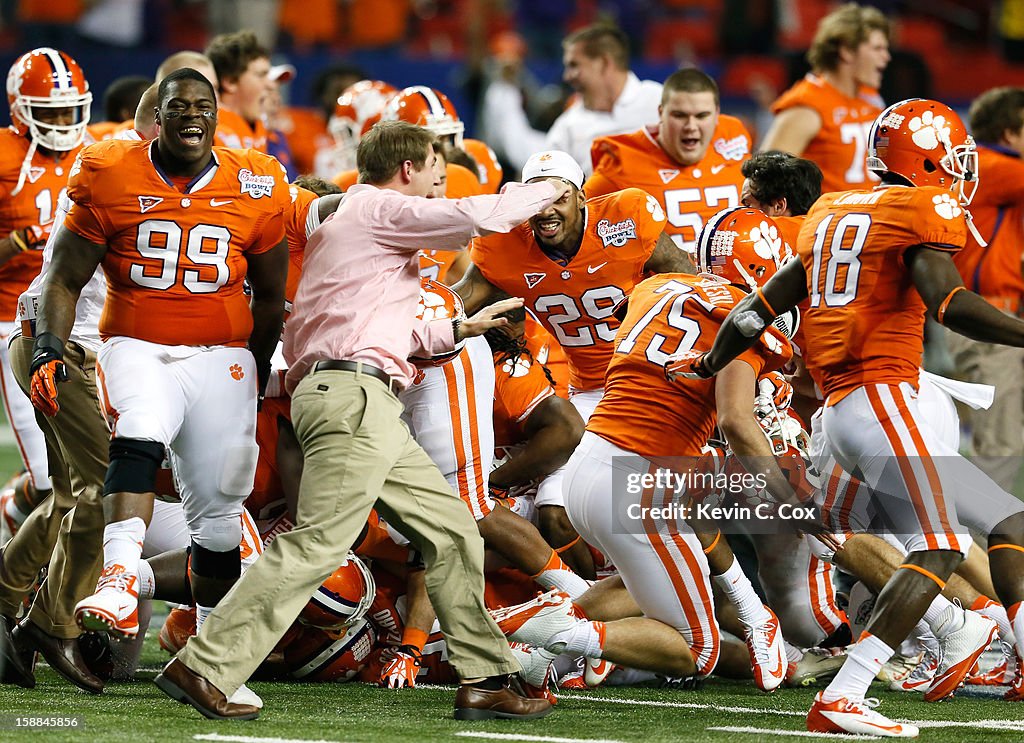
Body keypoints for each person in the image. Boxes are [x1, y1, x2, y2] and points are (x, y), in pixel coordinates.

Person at [153, 119, 570, 721]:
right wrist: (548, 188)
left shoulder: (351, 223)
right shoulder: (380, 207)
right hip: (353, 396)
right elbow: (478, 216)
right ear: (406, 170)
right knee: (318, 543)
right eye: (434, 168)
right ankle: (207, 666)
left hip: (350, 391)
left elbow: (367, 324)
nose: (439, 179)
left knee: (452, 528)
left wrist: (459, 329)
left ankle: (485, 677)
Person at [675, 98, 1024, 735]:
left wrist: (707, 363)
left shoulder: (833, 210)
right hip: (883, 399)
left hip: (837, 414)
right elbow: (948, 301)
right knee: (941, 546)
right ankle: (847, 692)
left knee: (1008, 520)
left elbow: (755, 310)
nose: (960, 169)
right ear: (926, 157)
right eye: (952, 155)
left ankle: (1013, 659)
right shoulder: (919, 208)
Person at [29, 68, 290, 708]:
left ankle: (208, 660)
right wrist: (47, 347)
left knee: (222, 511)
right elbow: (63, 276)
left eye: (204, 105)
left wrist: (251, 369)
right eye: (179, 106)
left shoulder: (257, 180)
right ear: (159, 115)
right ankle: (118, 578)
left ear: (216, 115)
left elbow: (272, 293)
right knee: (140, 427)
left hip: (223, 355)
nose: (193, 116)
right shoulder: (110, 170)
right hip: (136, 342)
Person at [492, 208, 799, 689]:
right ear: (764, 273)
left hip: (589, 468)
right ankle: (555, 631)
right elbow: (737, 420)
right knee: (698, 649)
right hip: (640, 485)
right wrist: (788, 497)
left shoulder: (654, 287)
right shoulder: (746, 327)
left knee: (646, 573)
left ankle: (751, 612)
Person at [0, 47, 93, 672]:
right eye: (49, 109)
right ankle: (33, 605)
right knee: (63, 478)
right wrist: (12, 242)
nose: (61, 119)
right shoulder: (5, 157)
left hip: (89, 328)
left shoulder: (98, 155)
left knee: (67, 480)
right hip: (17, 320)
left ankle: (30, 603)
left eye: (68, 108)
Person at [948, 86, 1024, 492]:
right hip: (988, 321)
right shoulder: (994, 166)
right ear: (1010, 133)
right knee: (1000, 443)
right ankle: (973, 548)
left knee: (1004, 437)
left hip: (994, 317)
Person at [587, 69, 751, 256]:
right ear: (661, 113)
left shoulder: (733, 135)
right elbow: (576, 221)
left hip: (740, 278)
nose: (691, 126)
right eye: (680, 115)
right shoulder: (622, 159)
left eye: (702, 115)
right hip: (665, 282)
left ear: (717, 115)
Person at [482, 23, 662, 174]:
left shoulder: (658, 102)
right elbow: (540, 168)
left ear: (604, 63)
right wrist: (504, 92)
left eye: (574, 65)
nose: (567, 76)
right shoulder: (569, 125)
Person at [760, 2, 890, 194]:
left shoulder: (871, 98)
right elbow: (765, 178)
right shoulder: (808, 104)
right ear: (846, 51)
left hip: (874, 217)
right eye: (877, 48)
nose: (886, 57)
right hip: (831, 220)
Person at [204, 30, 275, 152]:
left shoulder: (259, 126)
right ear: (230, 82)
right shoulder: (210, 132)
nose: (271, 85)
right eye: (261, 75)